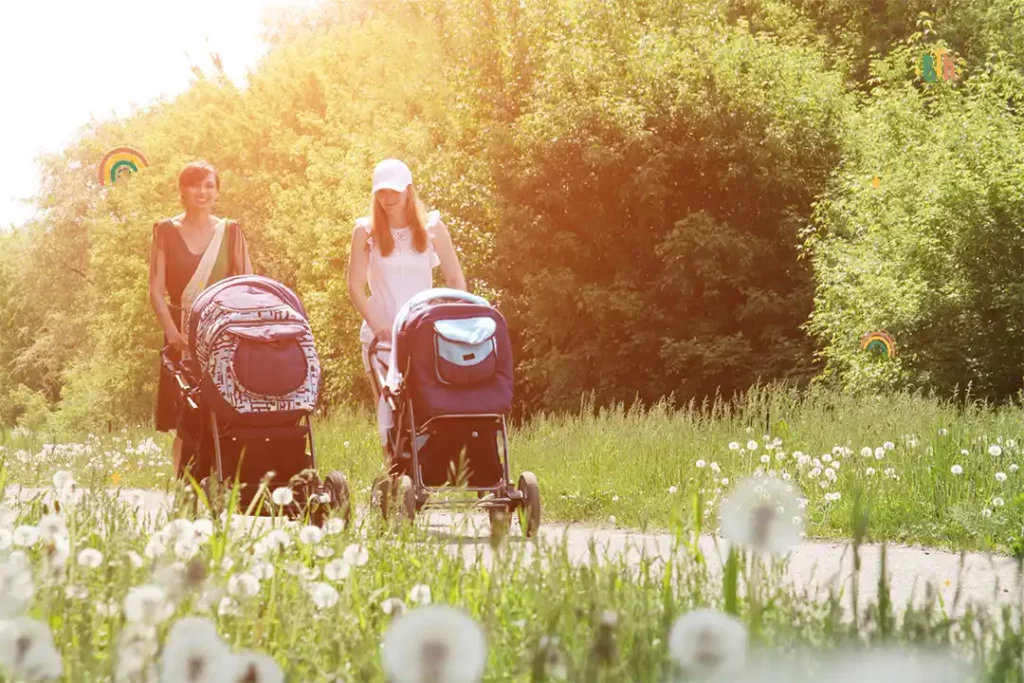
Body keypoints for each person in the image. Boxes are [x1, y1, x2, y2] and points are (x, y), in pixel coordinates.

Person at [347, 158, 467, 440]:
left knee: (427, 407)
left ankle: (426, 470)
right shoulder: (365, 232)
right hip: (383, 337)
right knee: (391, 411)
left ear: (409, 191)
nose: (387, 199)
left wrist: (453, 321)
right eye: (382, 192)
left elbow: (455, 280)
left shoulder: (432, 228)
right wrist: (376, 325)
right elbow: (354, 287)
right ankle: (394, 474)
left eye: (394, 192)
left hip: (423, 334)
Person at [149, 160, 254, 477]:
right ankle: (183, 490)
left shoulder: (231, 231)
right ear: (182, 190)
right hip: (181, 335)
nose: (203, 192)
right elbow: (155, 291)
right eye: (195, 184)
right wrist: (173, 336)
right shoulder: (165, 231)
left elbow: (248, 284)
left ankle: (229, 478)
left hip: (225, 335)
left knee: (229, 411)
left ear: (218, 191)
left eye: (210, 185)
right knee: (186, 419)